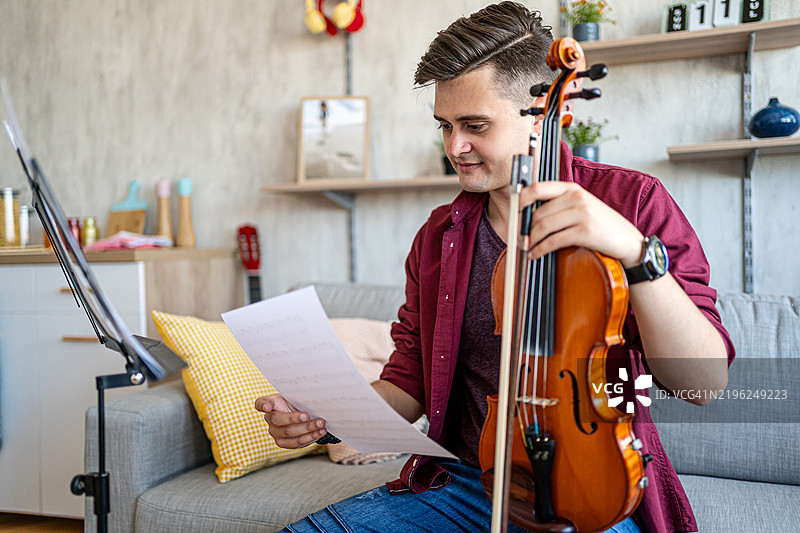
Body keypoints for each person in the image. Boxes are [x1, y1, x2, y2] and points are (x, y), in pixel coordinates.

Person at [255, 3, 735, 532]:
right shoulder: (437, 236)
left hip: (590, 488)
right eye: (445, 126)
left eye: (474, 126)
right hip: (465, 482)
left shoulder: (634, 202)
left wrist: (637, 254)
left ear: (541, 114)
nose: (454, 147)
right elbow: (409, 381)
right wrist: (324, 419)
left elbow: (704, 383)